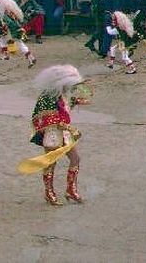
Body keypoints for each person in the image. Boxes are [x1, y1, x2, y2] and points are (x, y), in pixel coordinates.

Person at [18, 65, 92, 206]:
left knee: (75, 159)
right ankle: (49, 192)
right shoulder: (46, 97)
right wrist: (69, 127)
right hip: (52, 134)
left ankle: (71, 189)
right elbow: (47, 119)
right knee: (51, 162)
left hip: (65, 133)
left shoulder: (64, 95)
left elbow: (71, 105)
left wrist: (81, 98)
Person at [0, 0, 37, 67]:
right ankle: (30, 58)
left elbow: (10, 24)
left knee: (19, 44)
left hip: (11, 32)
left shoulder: (6, 15)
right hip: (14, 31)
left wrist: (5, 27)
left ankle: (31, 58)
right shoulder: (14, 14)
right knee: (2, 40)